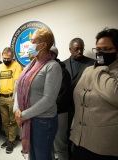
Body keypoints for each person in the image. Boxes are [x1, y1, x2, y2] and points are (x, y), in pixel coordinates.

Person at [13, 28, 62, 160]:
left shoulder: (52, 67)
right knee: (32, 156)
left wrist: (23, 115)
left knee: (42, 156)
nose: (29, 44)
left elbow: (48, 99)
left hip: (43, 122)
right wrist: (16, 109)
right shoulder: (30, 65)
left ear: (43, 45)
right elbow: (19, 88)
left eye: (32, 41)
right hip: (29, 119)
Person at [70, 28, 118, 160]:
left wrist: (100, 68)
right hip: (79, 139)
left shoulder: (98, 69)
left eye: (107, 49)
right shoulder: (88, 70)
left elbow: (114, 95)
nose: (101, 53)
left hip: (104, 145)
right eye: (98, 49)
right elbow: (79, 100)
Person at [63, 38, 95, 158]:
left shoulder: (92, 64)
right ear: (70, 49)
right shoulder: (63, 64)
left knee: (81, 135)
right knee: (66, 134)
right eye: (77, 49)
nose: (80, 51)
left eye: (82, 48)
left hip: (83, 106)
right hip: (66, 106)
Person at [0, 47, 22, 154]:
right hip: (1, 97)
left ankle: (11, 142)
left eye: (8, 58)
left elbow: (17, 82)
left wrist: (15, 98)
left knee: (12, 121)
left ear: (12, 57)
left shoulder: (17, 66)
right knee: (4, 121)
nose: (6, 60)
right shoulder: (0, 66)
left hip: (12, 98)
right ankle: (8, 139)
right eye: (4, 58)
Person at [50, 46, 71, 160]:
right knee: (49, 146)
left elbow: (62, 97)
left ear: (53, 55)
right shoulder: (45, 69)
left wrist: (47, 107)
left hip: (59, 113)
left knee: (60, 146)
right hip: (47, 113)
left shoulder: (63, 72)